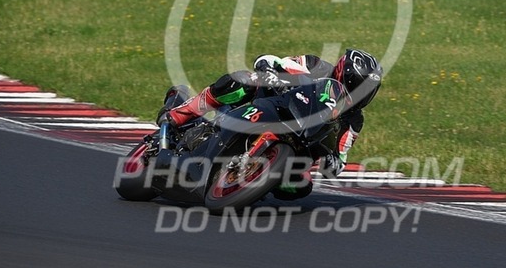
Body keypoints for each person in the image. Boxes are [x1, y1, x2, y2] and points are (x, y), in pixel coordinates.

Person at [161, 49, 383, 200]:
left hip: (301, 142)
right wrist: (269, 70)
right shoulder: (316, 66)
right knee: (243, 81)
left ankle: (255, 181)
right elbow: (275, 61)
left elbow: (341, 157)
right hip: (275, 104)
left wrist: (332, 163)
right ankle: (183, 112)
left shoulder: (354, 120)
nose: (361, 95)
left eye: (368, 91)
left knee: (300, 186)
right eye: (358, 87)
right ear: (344, 74)